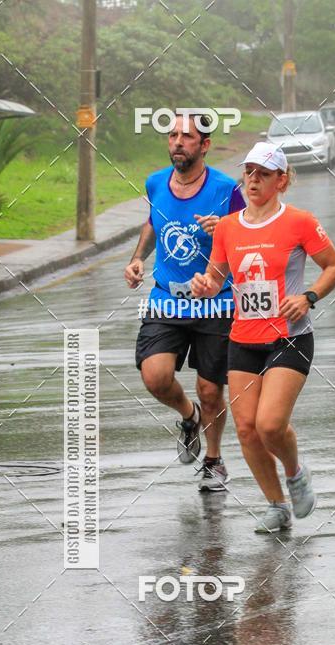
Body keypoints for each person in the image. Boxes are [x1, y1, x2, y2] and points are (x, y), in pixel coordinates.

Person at [190, 141, 335, 533]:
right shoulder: (227, 227)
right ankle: (276, 505)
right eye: (249, 172)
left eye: (263, 173)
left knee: (270, 425)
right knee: (246, 429)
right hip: (243, 339)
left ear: (281, 180)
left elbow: (334, 267)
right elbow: (216, 275)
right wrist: (206, 286)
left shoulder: (300, 222)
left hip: (289, 338)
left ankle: (295, 473)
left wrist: (309, 297)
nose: (253, 179)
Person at [124, 112, 245, 491]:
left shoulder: (227, 189)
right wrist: (137, 258)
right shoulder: (156, 181)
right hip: (167, 300)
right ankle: (188, 415)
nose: (178, 141)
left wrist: (225, 228)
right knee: (155, 376)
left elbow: (248, 236)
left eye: (187, 136)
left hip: (216, 303)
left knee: (211, 390)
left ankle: (213, 460)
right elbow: (152, 221)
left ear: (204, 145)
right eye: (173, 135)